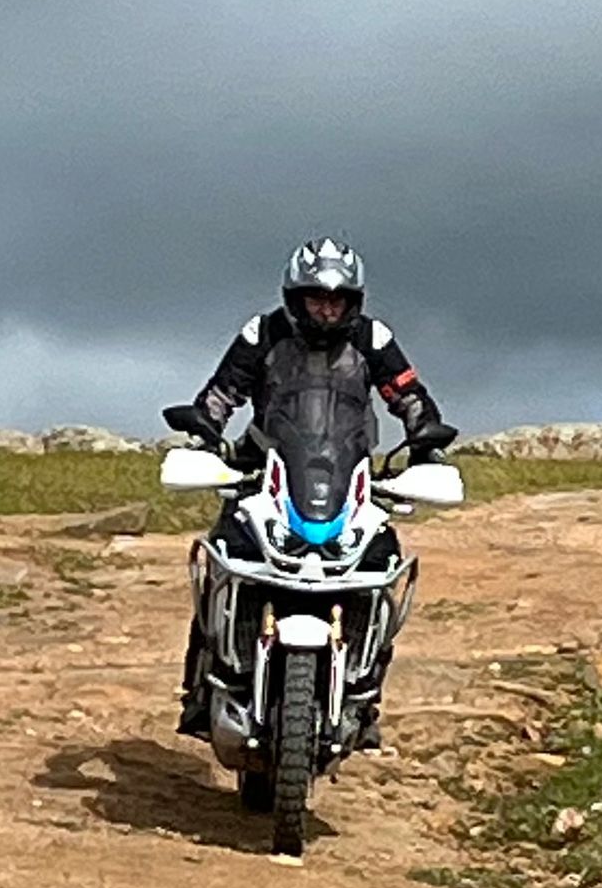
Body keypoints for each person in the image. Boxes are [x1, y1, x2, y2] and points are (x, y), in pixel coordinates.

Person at [169, 237, 455, 743]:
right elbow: (222, 392)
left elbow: (409, 397)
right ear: (294, 297)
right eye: (316, 299)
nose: (327, 309)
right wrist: (203, 436)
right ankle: (200, 690)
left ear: (353, 302)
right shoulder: (264, 333)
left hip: (347, 481)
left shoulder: (373, 339)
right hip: (266, 474)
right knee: (221, 560)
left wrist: (427, 443)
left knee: (382, 567)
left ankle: (365, 700)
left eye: (337, 300)